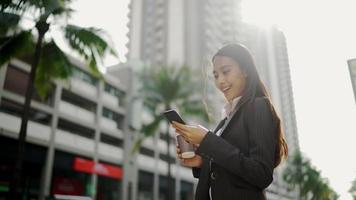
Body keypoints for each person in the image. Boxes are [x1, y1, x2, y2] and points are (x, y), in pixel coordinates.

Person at [172, 43, 288, 200]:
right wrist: (201, 163)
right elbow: (229, 165)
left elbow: (261, 174)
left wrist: (208, 140)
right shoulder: (225, 119)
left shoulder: (258, 106)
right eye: (216, 75)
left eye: (226, 71)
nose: (220, 81)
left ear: (245, 70)